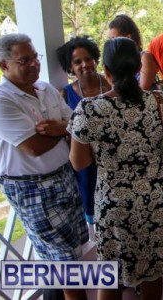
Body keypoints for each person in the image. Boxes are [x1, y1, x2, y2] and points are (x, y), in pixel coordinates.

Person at [68, 37, 163, 299]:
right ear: (138, 68)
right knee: (153, 270)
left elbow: (80, 163)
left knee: (110, 276)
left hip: (115, 206)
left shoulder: (89, 109)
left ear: (106, 71)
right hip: (157, 200)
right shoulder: (159, 101)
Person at [0, 34, 88, 300]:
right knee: (64, 264)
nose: (34, 63)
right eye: (25, 60)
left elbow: (76, 123)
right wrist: (64, 130)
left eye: (35, 57)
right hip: (32, 188)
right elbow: (34, 147)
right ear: (4, 65)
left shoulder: (45, 89)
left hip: (64, 177)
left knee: (70, 254)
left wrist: (60, 128)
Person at [56, 36, 111, 225]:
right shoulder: (65, 94)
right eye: (77, 62)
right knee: (94, 216)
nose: (85, 64)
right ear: (70, 67)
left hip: (114, 161)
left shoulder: (111, 86)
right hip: (85, 167)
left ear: (95, 60)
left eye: (88, 59)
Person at [107, 14, 158, 87]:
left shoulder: (144, 57)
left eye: (114, 39)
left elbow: (143, 89)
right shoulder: (117, 62)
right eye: (110, 40)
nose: (111, 44)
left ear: (128, 38)